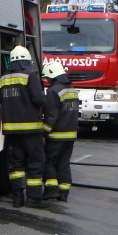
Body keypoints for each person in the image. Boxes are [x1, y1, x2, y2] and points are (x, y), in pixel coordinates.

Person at [0, 45, 46, 209]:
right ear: (27, 60)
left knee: (16, 164)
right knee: (35, 162)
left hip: (12, 131)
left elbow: (0, 99)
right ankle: (34, 199)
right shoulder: (30, 75)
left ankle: (17, 199)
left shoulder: (3, 78)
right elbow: (39, 100)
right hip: (31, 129)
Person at [41, 61, 79, 203]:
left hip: (56, 136)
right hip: (70, 135)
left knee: (48, 161)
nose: (47, 81)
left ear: (52, 76)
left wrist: (44, 133)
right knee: (64, 163)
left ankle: (51, 190)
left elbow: (51, 116)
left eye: (48, 78)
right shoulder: (72, 89)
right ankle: (63, 193)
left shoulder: (53, 91)